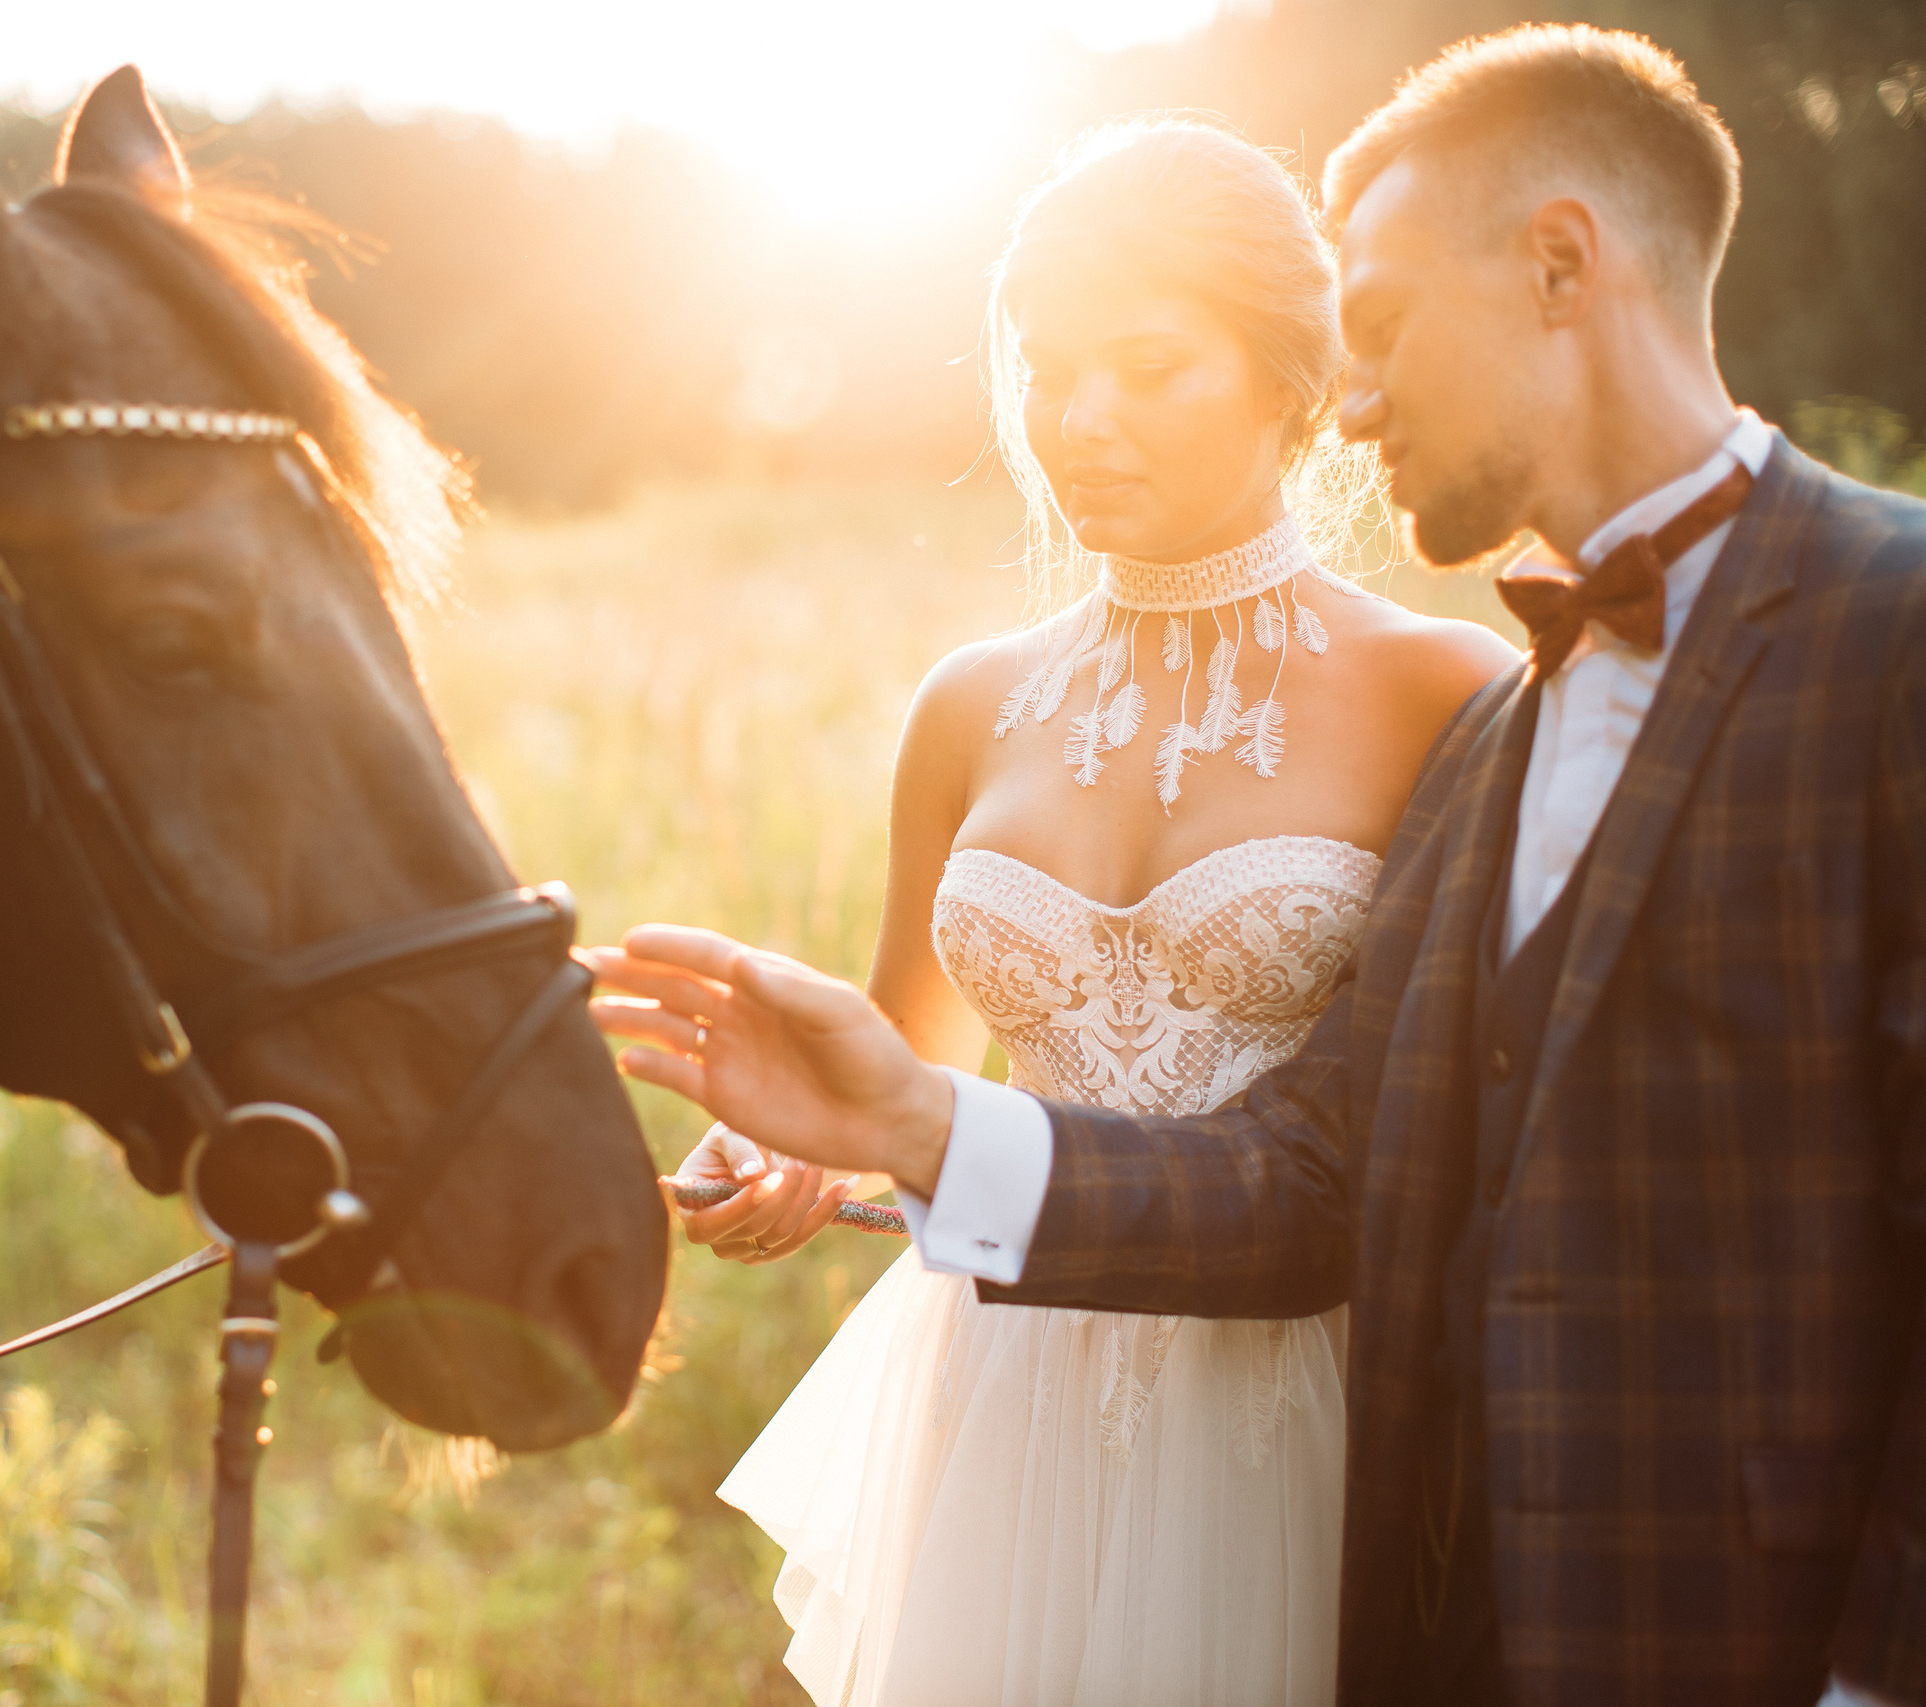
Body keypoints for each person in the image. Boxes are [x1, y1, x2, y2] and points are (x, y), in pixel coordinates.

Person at [588, 26, 1925, 1707]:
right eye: (1047, 364)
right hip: (1331, 1546)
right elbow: (1317, 1179)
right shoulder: (1526, 716)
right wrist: (901, 1126)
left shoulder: (1814, 647)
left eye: (1371, 333)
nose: (1355, 401)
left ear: (1561, 265)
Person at [616, 118, 1513, 1707]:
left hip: (1299, 1403)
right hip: (1002, 1385)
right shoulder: (971, 705)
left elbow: (1435, 1146)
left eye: (1148, 367)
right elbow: (905, 1062)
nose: (1080, 420)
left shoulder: (1450, 692)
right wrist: (799, 1149)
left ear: (1291, 381)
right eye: (1048, 368)